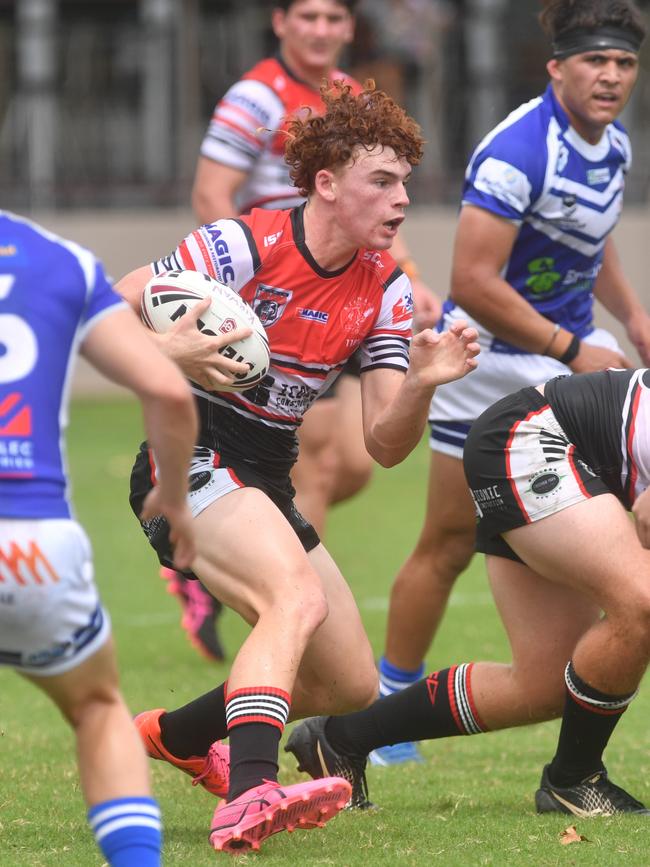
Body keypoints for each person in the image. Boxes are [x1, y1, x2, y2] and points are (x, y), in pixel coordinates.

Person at [117, 80, 480, 853]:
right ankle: (249, 793)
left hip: (266, 476)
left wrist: (419, 382)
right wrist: (165, 348)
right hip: (189, 460)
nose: (401, 200)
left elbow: (385, 444)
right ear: (326, 183)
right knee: (294, 594)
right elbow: (104, 316)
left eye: (406, 183)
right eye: (382, 181)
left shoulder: (383, 290)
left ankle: (178, 736)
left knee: (346, 682)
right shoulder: (239, 245)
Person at [371, 0, 650, 766]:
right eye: (596, 61)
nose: (611, 76)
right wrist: (572, 346)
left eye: (624, 63)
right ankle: (385, 700)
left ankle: (587, 652)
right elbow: (473, 280)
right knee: (449, 539)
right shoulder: (517, 152)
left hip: (567, 352)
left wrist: (628, 314)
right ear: (557, 66)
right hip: (488, 362)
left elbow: (597, 242)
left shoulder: (612, 144)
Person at [179, 0, 442, 664]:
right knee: (321, 457)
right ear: (280, 23)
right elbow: (213, 193)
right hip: (281, 294)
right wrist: (240, 292)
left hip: (349, 286)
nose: (322, 31)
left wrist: (408, 276)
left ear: (351, 30)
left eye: (335, 19)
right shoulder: (254, 97)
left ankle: (242, 567)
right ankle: (283, 604)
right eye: (309, 17)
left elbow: (378, 201)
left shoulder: (352, 98)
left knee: (352, 461)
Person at [286, 365, 650, 817]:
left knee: (548, 685)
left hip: (556, 451)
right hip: (531, 438)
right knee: (642, 602)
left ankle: (341, 739)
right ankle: (574, 779)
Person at [0, 211, 199, 865]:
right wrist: (173, 500)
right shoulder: (61, 261)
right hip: (31, 548)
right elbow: (168, 392)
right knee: (96, 707)